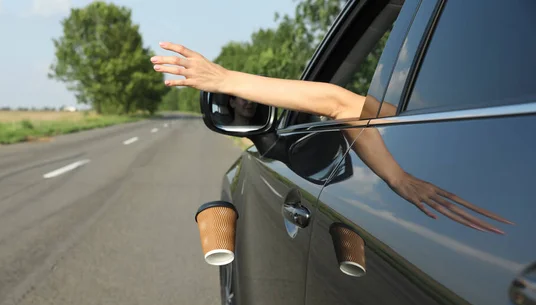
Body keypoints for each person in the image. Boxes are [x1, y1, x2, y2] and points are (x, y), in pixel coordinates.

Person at [151, 42, 512, 233]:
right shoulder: (475, 113)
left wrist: (225, 78)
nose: (397, 71)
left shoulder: (437, 111)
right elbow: (343, 106)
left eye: (403, 67)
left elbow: (340, 104)